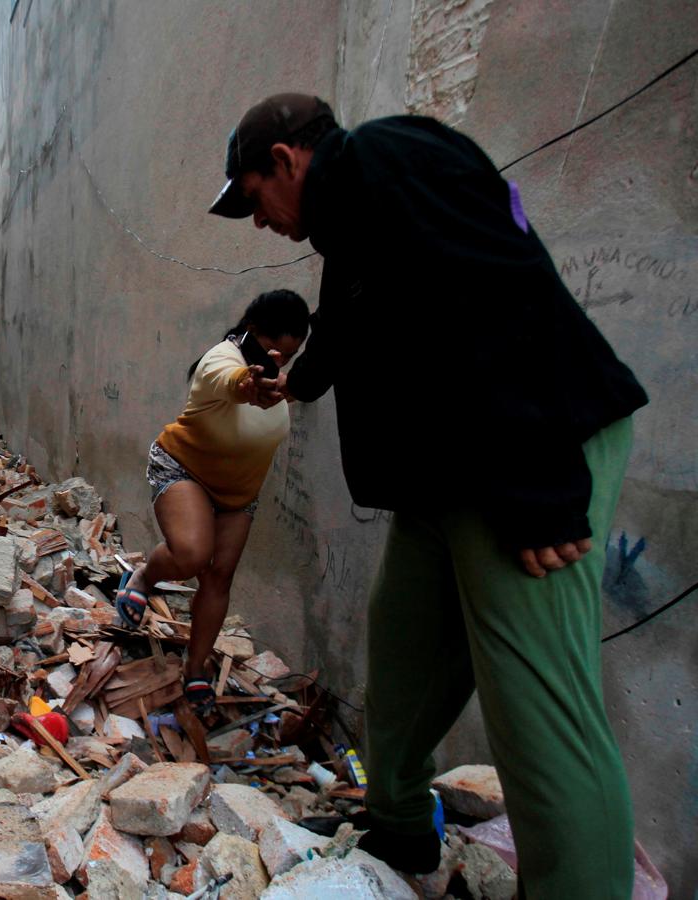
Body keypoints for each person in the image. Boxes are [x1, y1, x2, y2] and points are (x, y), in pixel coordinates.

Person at [208, 93, 648, 896]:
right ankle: (401, 828)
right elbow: (345, 324)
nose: (259, 224)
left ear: (284, 160)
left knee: (540, 718)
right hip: (446, 480)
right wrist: (294, 383)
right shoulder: (354, 222)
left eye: (252, 200)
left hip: (522, 459)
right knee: (403, 660)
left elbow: (500, 296)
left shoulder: (387, 158)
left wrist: (541, 490)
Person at [114, 290, 309, 714]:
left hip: (238, 494)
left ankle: (195, 666)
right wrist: (249, 384)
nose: (281, 360)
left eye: (290, 356)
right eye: (276, 350)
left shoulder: (277, 376)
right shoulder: (222, 359)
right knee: (191, 554)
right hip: (184, 468)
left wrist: (287, 381)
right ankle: (146, 578)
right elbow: (230, 382)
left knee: (219, 578)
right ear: (254, 330)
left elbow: (291, 385)